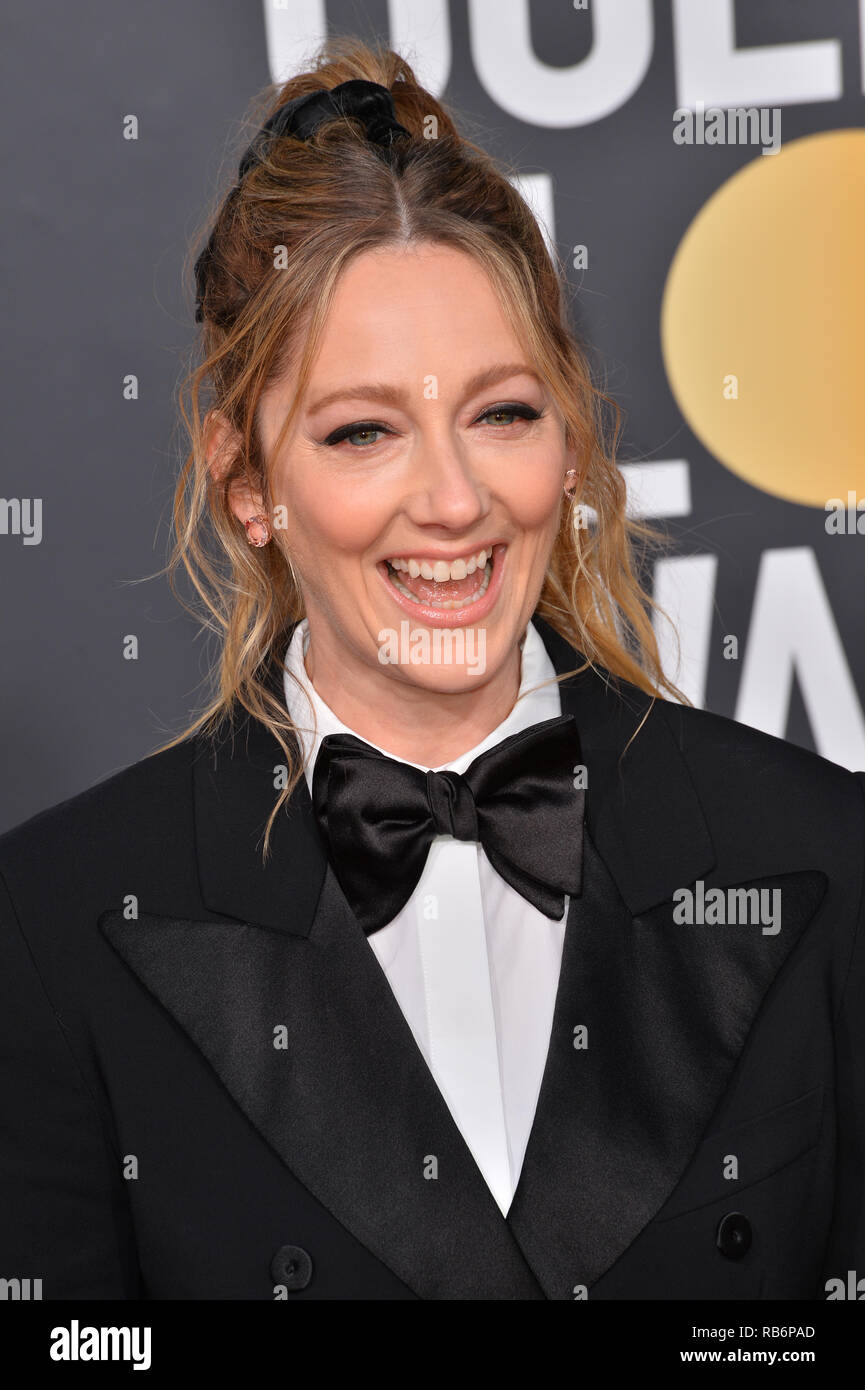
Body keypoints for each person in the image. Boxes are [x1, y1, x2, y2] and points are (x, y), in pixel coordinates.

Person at [0, 37, 863, 1303]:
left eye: (501, 412)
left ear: (568, 437)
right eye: (363, 432)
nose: (452, 500)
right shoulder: (56, 922)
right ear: (248, 480)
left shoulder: (820, 851)